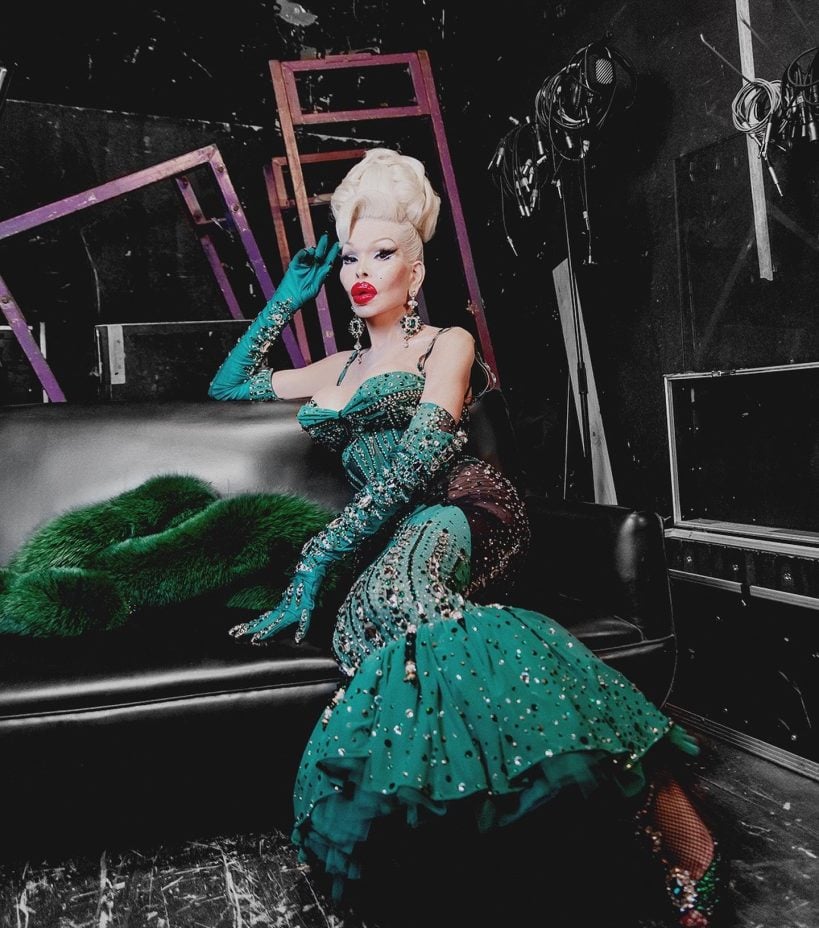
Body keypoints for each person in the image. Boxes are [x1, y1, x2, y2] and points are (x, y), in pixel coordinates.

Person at [208, 147, 722, 926]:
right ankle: (503, 856)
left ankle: (673, 816)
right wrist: (286, 297)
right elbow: (228, 387)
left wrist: (318, 556)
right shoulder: (334, 368)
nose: (361, 271)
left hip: (460, 509)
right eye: (350, 258)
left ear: (415, 272)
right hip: (385, 535)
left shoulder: (444, 343)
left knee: (401, 599)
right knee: (368, 622)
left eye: (383, 254)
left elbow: (420, 462)